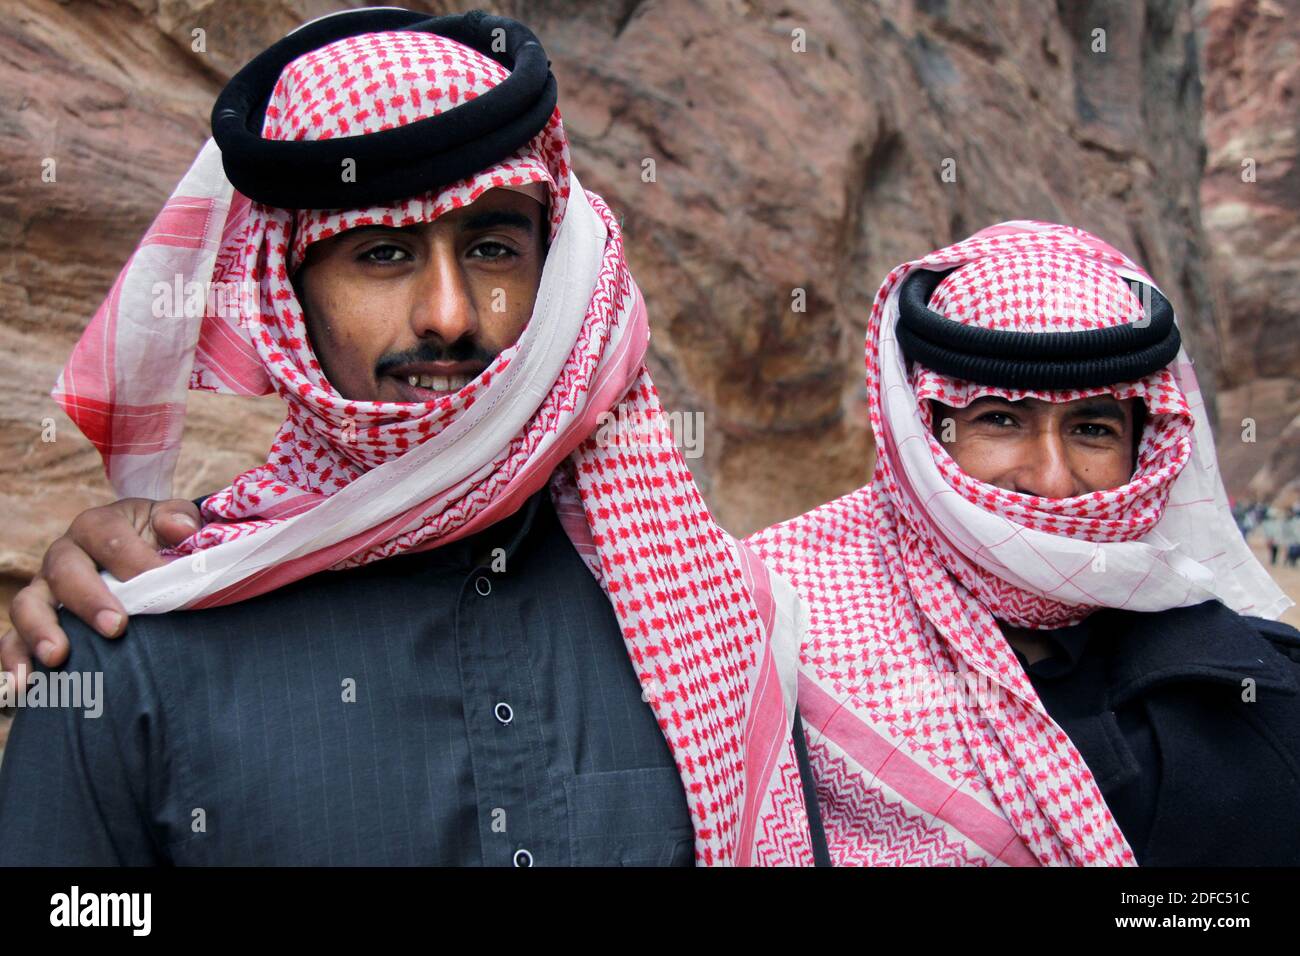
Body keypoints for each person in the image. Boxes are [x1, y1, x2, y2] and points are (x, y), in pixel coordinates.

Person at [0, 9, 824, 866]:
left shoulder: (713, 622)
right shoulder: (129, 653)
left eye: (494, 248)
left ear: (559, 269)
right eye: (384, 253)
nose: (449, 316)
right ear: (289, 295)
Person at [746, 221, 1300, 866]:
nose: (1051, 478)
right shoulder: (774, 613)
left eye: (1092, 428)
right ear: (928, 428)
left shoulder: (1253, 688)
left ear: (1143, 446)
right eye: (1001, 419)